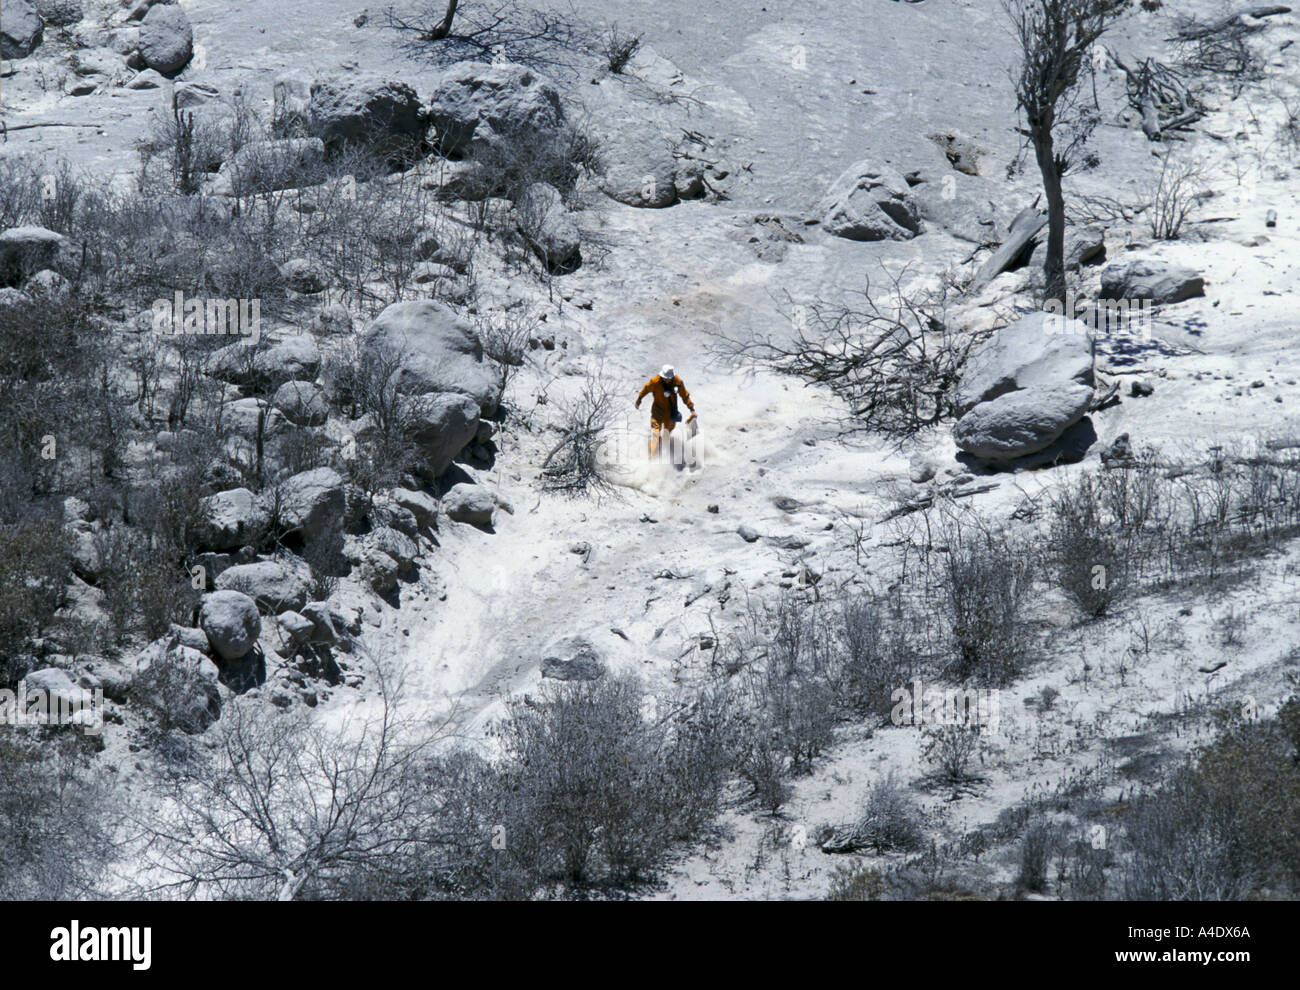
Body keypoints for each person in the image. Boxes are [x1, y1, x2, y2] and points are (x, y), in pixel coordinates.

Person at [635, 364, 696, 459]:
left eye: (669, 378)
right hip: (657, 411)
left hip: (671, 413)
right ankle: (651, 457)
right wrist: (639, 399)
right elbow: (645, 389)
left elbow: (685, 396)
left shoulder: (678, 382)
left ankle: (663, 449)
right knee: (656, 434)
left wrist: (692, 409)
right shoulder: (655, 382)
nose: (667, 380)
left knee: (667, 433)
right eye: (665, 378)